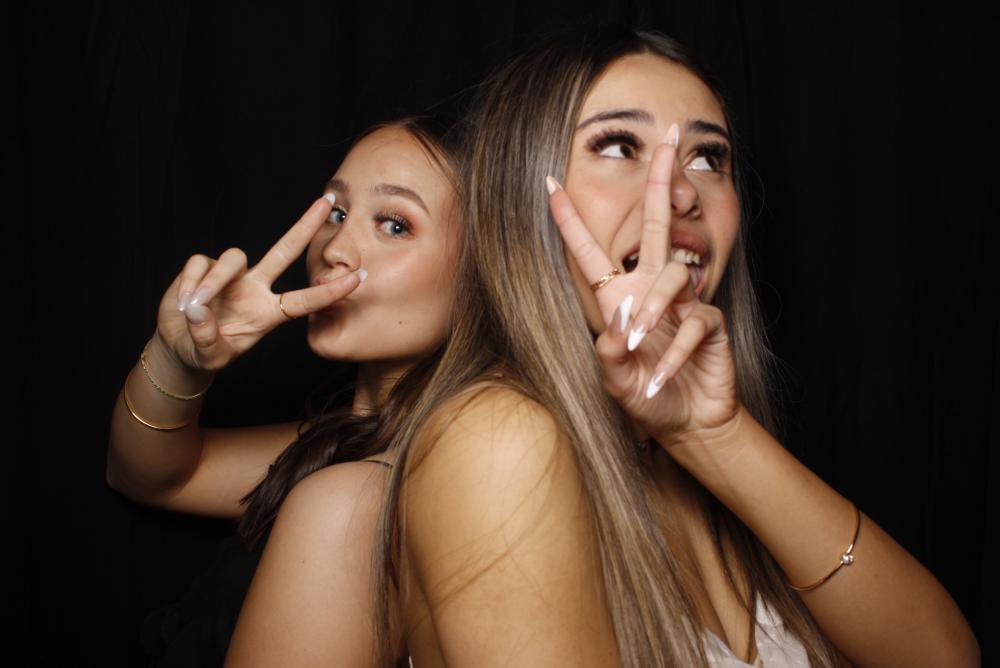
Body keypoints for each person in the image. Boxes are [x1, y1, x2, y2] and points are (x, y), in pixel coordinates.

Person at [345, 26, 977, 667]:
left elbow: (944, 655)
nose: (680, 193)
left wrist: (716, 435)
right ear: (519, 196)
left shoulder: (698, 463)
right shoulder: (496, 439)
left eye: (708, 158)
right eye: (620, 146)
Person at [107, 116, 463, 667]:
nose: (336, 247)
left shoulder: (361, 503)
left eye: (394, 224)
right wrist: (178, 361)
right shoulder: (361, 444)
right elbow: (151, 476)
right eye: (336, 212)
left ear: (486, 275)